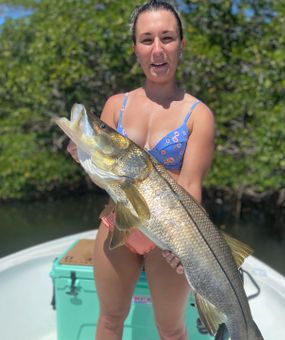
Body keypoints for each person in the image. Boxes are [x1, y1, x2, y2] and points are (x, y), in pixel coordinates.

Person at [68, 1, 215, 339]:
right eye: (146, 40)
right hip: (117, 227)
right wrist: (82, 154)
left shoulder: (198, 115)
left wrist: (183, 248)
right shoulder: (115, 105)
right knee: (109, 319)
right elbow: (105, 173)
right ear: (135, 48)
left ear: (181, 44)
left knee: (171, 329)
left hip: (169, 239)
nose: (157, 50)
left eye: (167, 37)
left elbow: (191, 186)